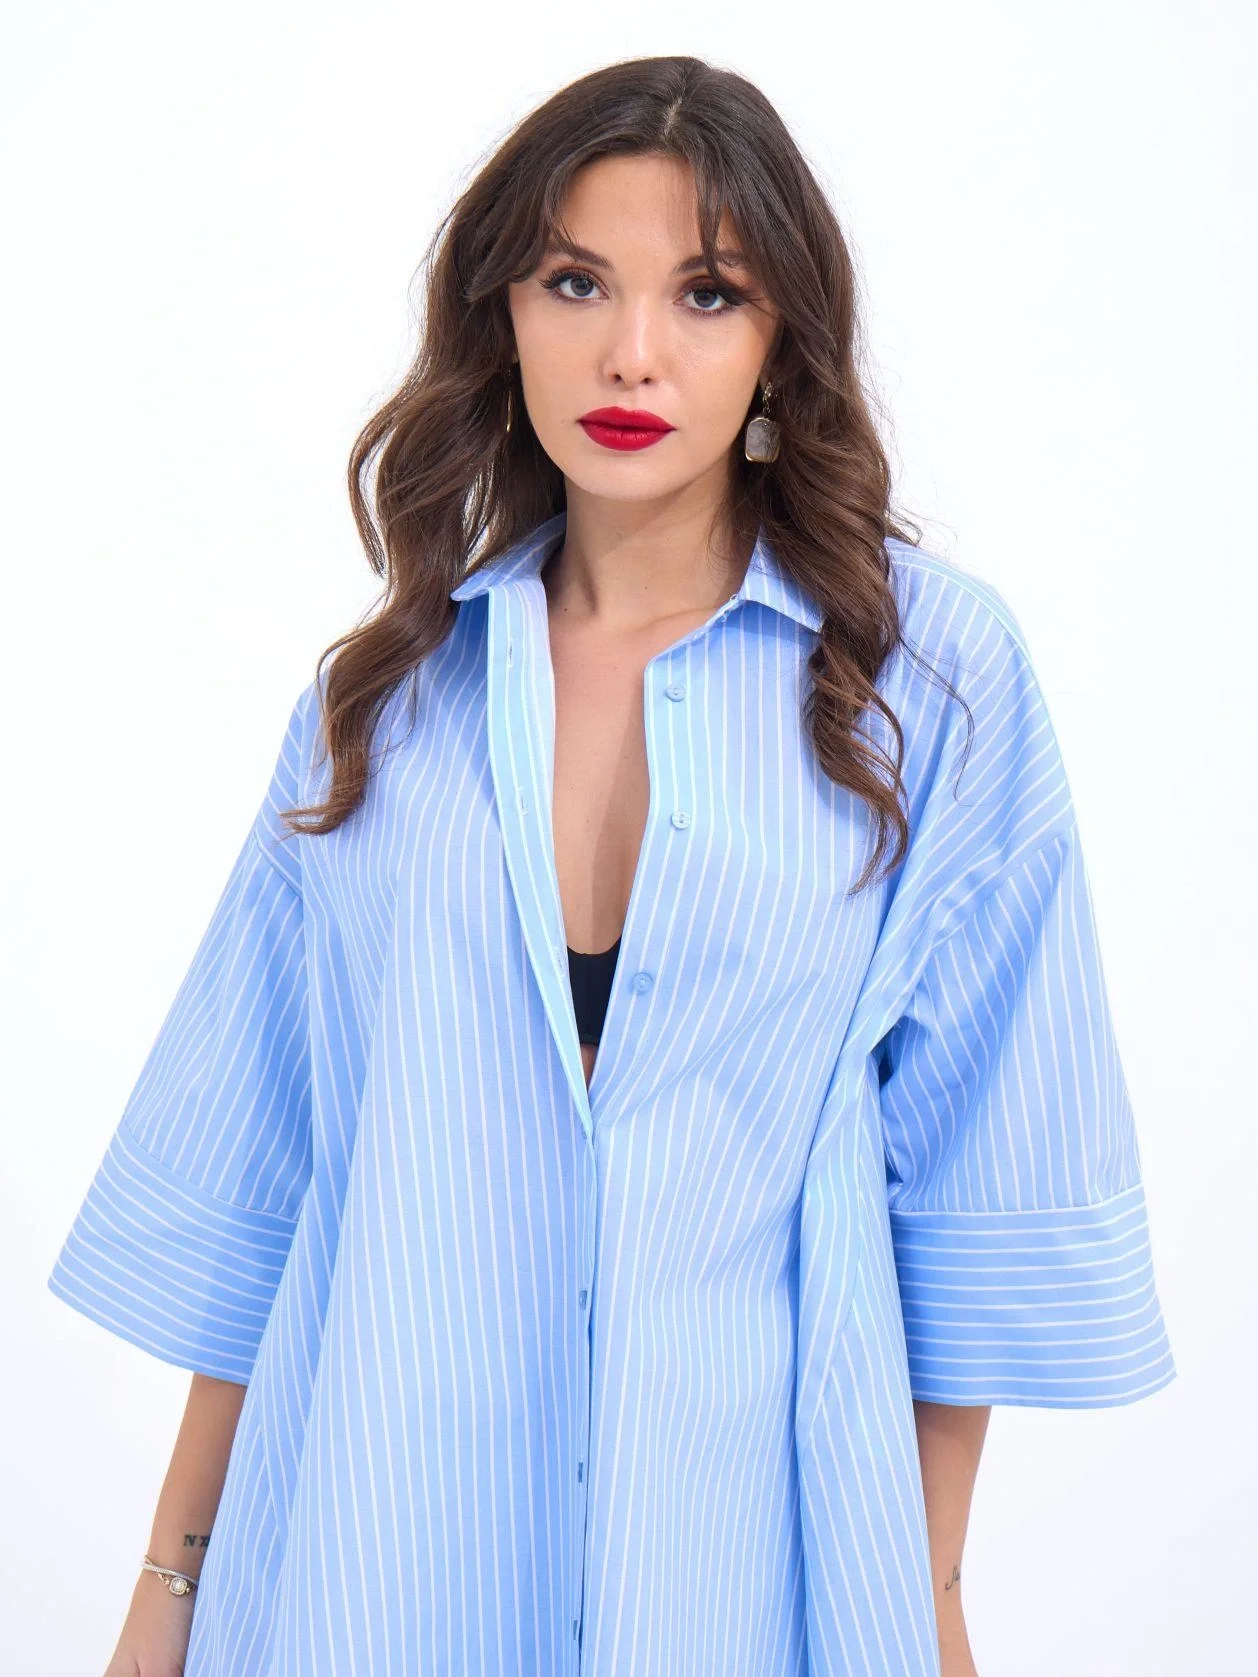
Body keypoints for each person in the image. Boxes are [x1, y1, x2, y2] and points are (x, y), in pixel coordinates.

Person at [48, 53, 1176, 1677]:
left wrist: (922, 1595)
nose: (631, 351)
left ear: (780, 339)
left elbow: (982, 1163)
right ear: (501, 314)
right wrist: (166, 1593)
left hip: (751, 1579)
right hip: (375, 1558)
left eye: (706, 294)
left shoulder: (924, 680)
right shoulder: (386, 704)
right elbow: (265, 1185)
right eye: (575, 281)